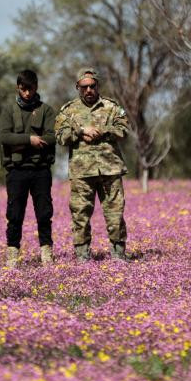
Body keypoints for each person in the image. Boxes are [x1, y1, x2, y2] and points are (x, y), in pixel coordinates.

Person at [55, 67, 129, 262]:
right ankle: (82, 256)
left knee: (115, 213)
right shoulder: (68, 111)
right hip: (82, 172)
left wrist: (101, 131)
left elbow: (124, 129)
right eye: (84, 87)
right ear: (77, 87)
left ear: (98, 86)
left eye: (92, 86)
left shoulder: (111, 107)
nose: (88, 90)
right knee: (80, 214)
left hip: (110, 169)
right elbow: (60, 136)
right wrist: (80, 131)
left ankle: (119, 254)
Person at [0, 69, 57, 268]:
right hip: (16, 171)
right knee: (14, 214)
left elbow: (52, 137)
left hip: (41, 170)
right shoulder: (9, 111)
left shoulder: (46, 110)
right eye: (23, 89)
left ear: (36, 87)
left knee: (44, 213)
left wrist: (19, 143)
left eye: (30, 89)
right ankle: (12, 254)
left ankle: (46, 253)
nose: (27, 93)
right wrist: (30, 140)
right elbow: (4, 137)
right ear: (18, 88)